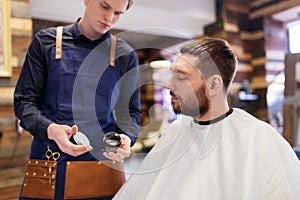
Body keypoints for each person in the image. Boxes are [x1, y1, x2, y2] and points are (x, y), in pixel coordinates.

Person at [113, 37, 300, 200]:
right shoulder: (176, 131)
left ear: (213, 85)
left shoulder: (257, 137)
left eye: (181, 77)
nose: (169, 84)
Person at [14, 0, 140, 199]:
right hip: (49, 163)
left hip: (102, 168)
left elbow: (130, 112)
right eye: (105, 6)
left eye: (118, 13)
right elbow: (24, 102)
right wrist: (50, 129)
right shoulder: (45, 42)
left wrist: (127, 137)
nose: (110, 18)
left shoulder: (126, 55)